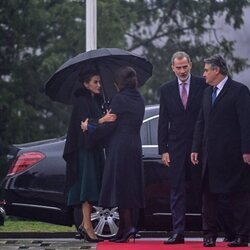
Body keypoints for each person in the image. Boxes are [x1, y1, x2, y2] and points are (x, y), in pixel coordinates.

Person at [191, 55, 250, 247]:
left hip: (232, 155)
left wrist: (247, 149)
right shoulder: (207, 93)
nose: (204, 74)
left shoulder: (239, 91)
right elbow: (201, 122)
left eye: (207, 70)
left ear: (217, 70)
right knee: (208, 197)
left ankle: (242, 235)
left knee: (238, 196)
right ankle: (209, 235)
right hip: (210, 155)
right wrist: (196, 147)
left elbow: (245, 123)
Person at [81, 66, 145, 243]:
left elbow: (110, 126)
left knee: (121, 188)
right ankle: (125, 229)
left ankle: (128, 227)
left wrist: (91, 126)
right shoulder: (140, 98)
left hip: (120, 147)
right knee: (129, 188)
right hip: (135, 145)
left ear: (119, 83)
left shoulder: (119, 99)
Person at [158, 51, 207, 244]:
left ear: (190, 65)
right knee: (177, 191)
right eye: (178, 67)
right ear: (172, 68)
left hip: (199, 147)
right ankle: (178, 232)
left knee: (203, 189)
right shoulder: (166, 89)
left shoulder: (203, 85)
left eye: (185, 67)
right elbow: (163, 121)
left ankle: (208, 231)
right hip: (176, 149)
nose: (182, 71)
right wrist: (164, 150)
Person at [63, 70, 116, 243]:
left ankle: (85, 224)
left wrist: (102, 118)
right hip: (84, 150)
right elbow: (83, 126)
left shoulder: (96, 100)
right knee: (88, 188)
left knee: (91, 188)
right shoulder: (81, 101)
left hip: (93, 148)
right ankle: (87, 226)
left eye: (99, 82)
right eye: (95, 82)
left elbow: (91, 124)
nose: (99, 85)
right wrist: (101, 120)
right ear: (86, 84)